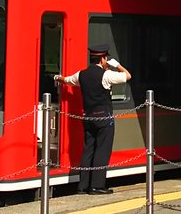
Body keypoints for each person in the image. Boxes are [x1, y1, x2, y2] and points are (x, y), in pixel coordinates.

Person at [54, 44, 131, 194]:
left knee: (88, 150)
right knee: (102, 150)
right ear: (103, 59)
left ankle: (83, 186)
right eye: (106, 58)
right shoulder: (106, 75)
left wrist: (57, 77)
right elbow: (127, 76)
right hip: (104, 118)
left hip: (87, 118)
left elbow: (67, 80)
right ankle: (97, 186)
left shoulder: (81, 74)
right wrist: (117, 65)